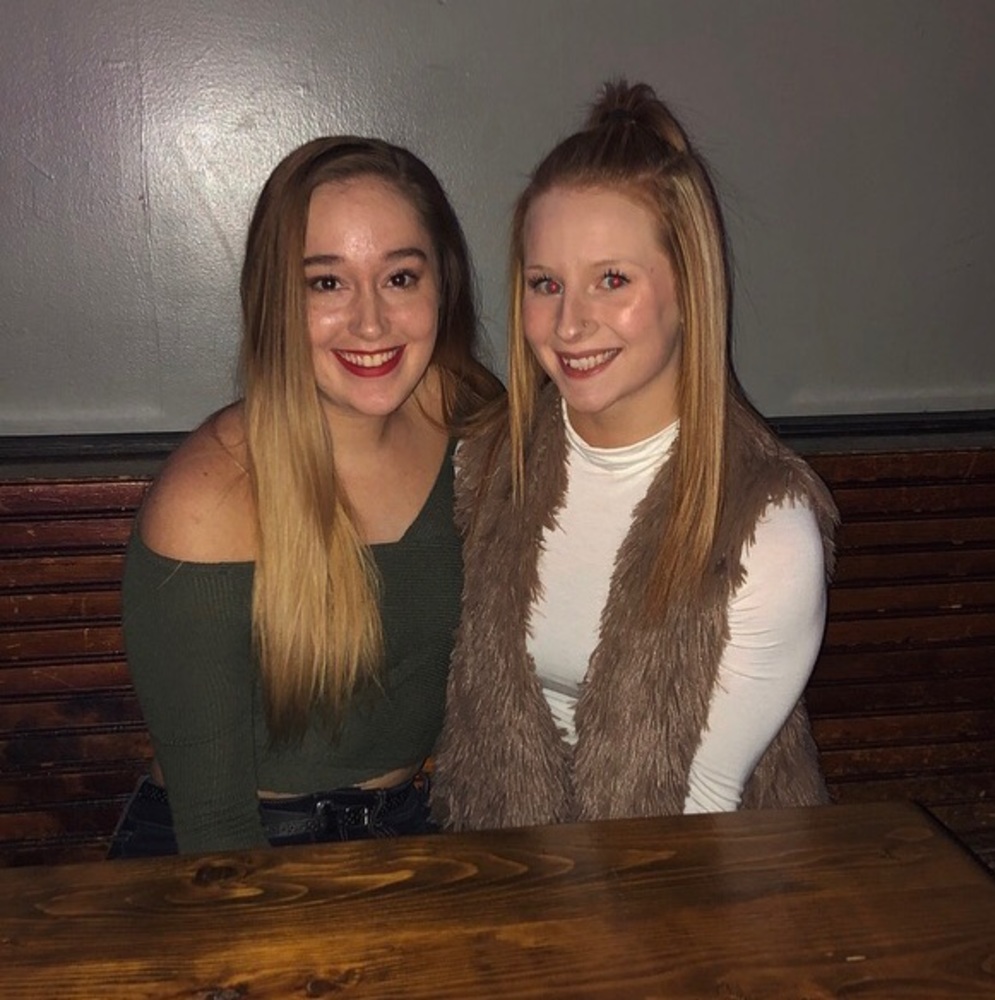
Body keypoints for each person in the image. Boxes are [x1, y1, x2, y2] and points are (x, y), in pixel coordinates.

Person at [431, 81, 838, 831]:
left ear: (690, 288)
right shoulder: (486, 466)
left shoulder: (766, 528)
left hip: (702, 895)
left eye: (611, 280)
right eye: (545, 284)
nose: (570, 323)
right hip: (501, 880)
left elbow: (689, 823)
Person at [108, 135, 502, 856]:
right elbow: (216, 838)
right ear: (275, 301)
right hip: (232, 847)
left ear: (441, 284)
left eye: (400, 278)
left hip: (414, 829)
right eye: (326, 283)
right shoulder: (208, 498)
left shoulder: (473, 421)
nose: (371, 323)